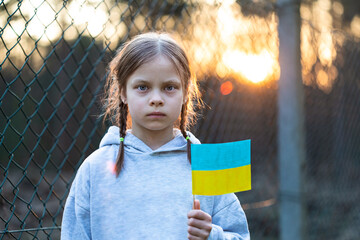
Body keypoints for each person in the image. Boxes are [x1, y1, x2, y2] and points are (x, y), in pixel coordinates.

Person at [61, 32, 250, 240]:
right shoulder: (94, 168)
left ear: (186, 92)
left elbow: (241, 236)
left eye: (169, 87)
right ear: (123, 92)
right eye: (143, 87)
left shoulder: (210, 165)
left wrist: (212, 235)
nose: (156, 99)